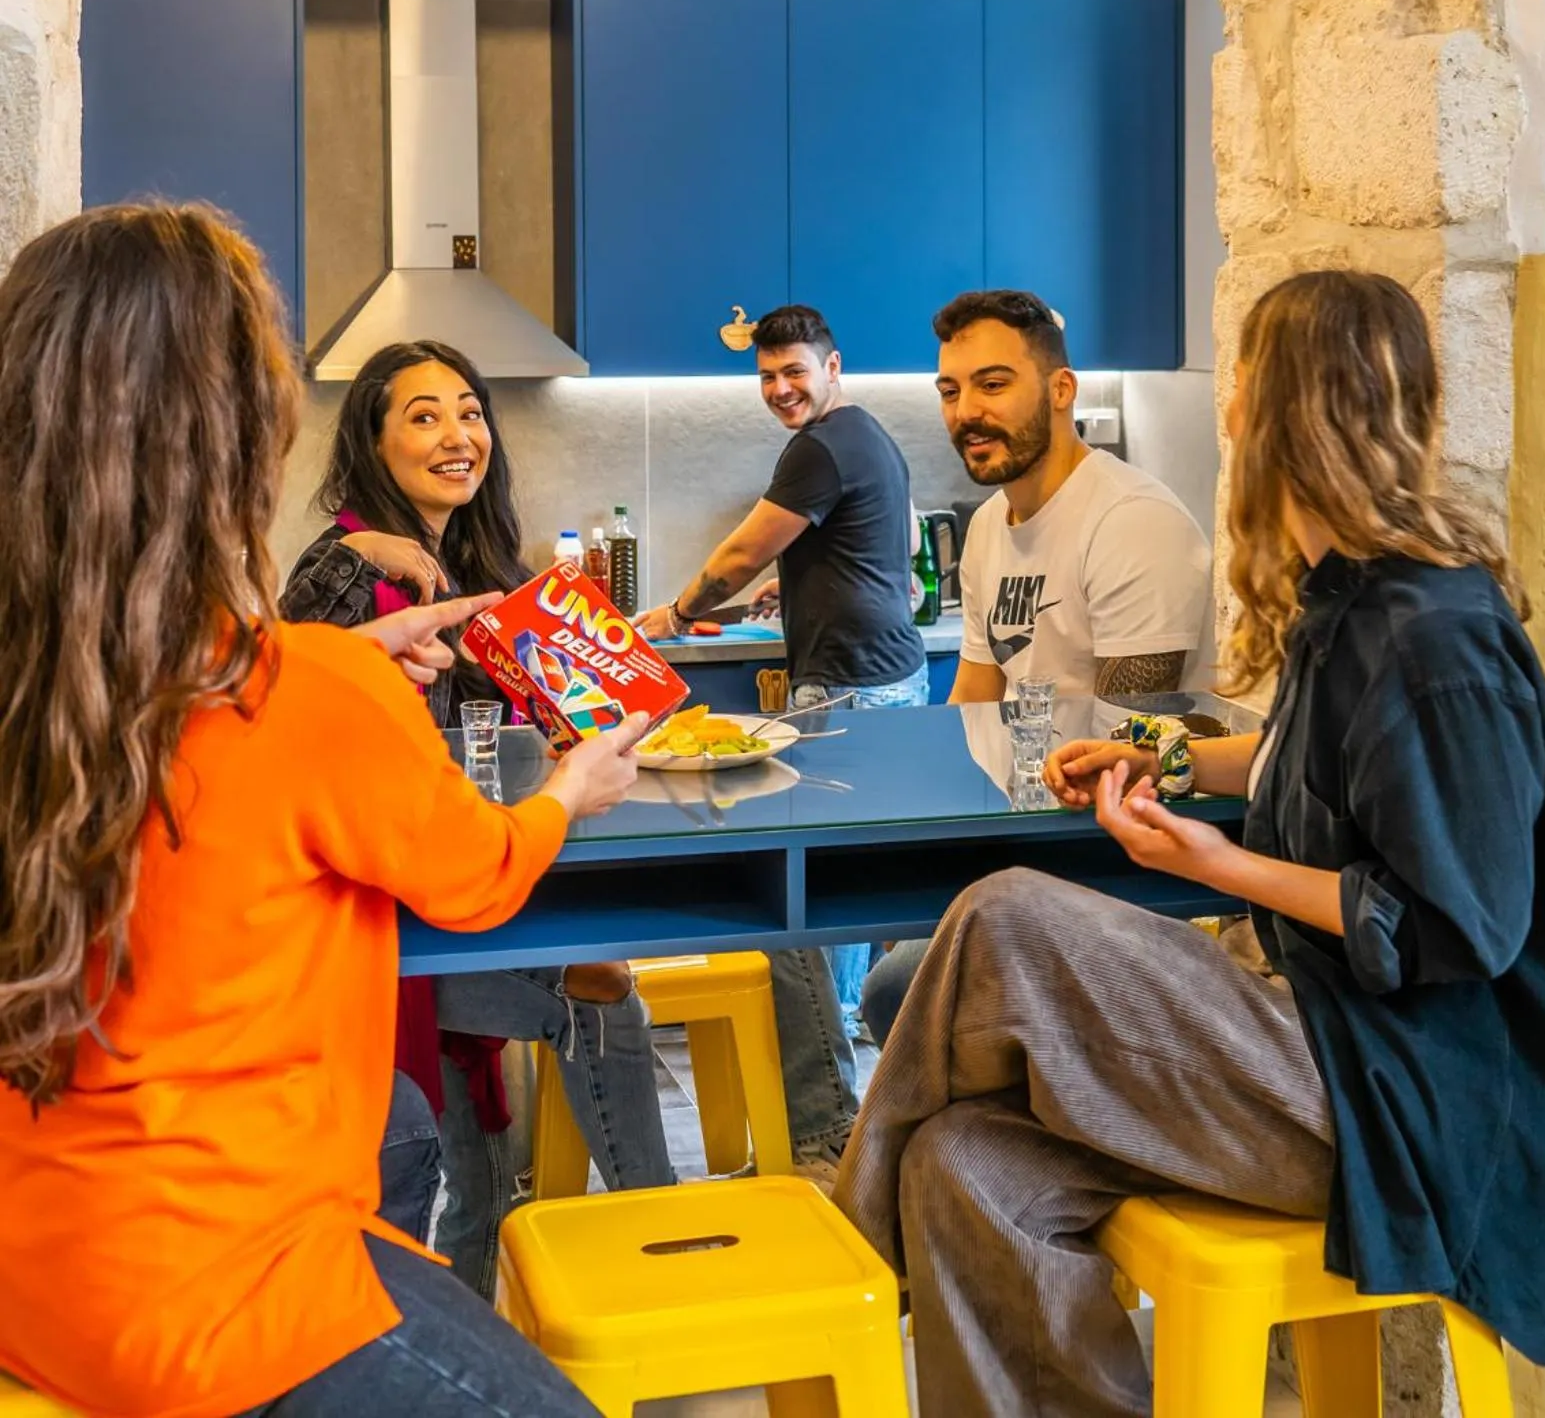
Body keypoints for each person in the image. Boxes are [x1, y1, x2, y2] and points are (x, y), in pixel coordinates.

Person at [836, 269, 1545, 1418]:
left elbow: (1456, 924)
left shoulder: (1437, 638)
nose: (1224, 392)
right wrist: (1165, 759)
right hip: (1315, 1042)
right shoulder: (1355, 600)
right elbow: (1292, 755)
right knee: (964, 1168)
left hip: (1403, 1099)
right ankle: (885, 1212)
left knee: (1006, 911)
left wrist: (1210, 861)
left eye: (1242, 371)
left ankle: (839, 1247)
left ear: (1283, 407)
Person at [0, 202, 645, 1418]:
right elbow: (476, 876)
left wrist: (335, 653)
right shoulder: (309, 690)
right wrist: (575, 783)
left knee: (405, 1135)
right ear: (244, 432)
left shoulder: (43, 679)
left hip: (32, 1268)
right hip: (216, 1297)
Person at [282, 340, 674, 1296]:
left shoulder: (475, 564)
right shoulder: (345, 570)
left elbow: (527, 729)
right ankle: (666, 1239)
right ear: (373, 442)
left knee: (483, 1179)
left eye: (469, 411)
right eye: (423, 416)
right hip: (384, 929)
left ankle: (468, 1334)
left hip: (463, 888)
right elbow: (301, 734)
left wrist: (604, 681)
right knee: (602, 993)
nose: (460, 435)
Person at [861, 287, 1213, 1044]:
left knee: (897, 989)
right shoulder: (990, 526)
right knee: (890, 976)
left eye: (993, 385)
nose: (966, 414)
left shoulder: (1130, 523)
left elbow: (1140, 746)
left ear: (1060, 390)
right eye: (950, 392)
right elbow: (973, 700)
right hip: (1026, 845)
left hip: (1121, 865)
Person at [637, 304, 927, 1182]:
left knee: (800, 905)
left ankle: (827, 1128)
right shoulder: (865, 435)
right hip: (887, 676)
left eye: (793, 371)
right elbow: (885, 545)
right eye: (766, 377)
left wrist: (680, 612)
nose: (779, 389)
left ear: (832, 365)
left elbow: (738, 550)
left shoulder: (822, 445)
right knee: (849, 905)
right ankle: (863, 1120)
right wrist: (793, 588)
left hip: (848, 687)